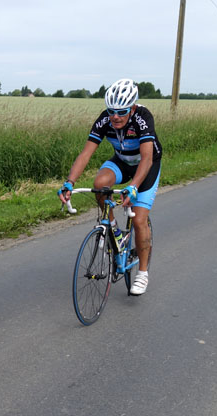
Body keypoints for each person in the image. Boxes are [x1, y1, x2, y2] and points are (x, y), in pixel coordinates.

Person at [58, 78, 162, 295]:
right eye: (111, 111)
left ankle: (142, 273)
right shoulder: (105, 120)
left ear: (132, 108)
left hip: (146, 166)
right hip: (122, 161)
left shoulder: (143, 118)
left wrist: (133, 187)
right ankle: (114, 229)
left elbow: (146, 158)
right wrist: (69, 182)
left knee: (139, 220)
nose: (115, 116)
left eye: (121, 112)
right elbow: (86, 154)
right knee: (100, 184)